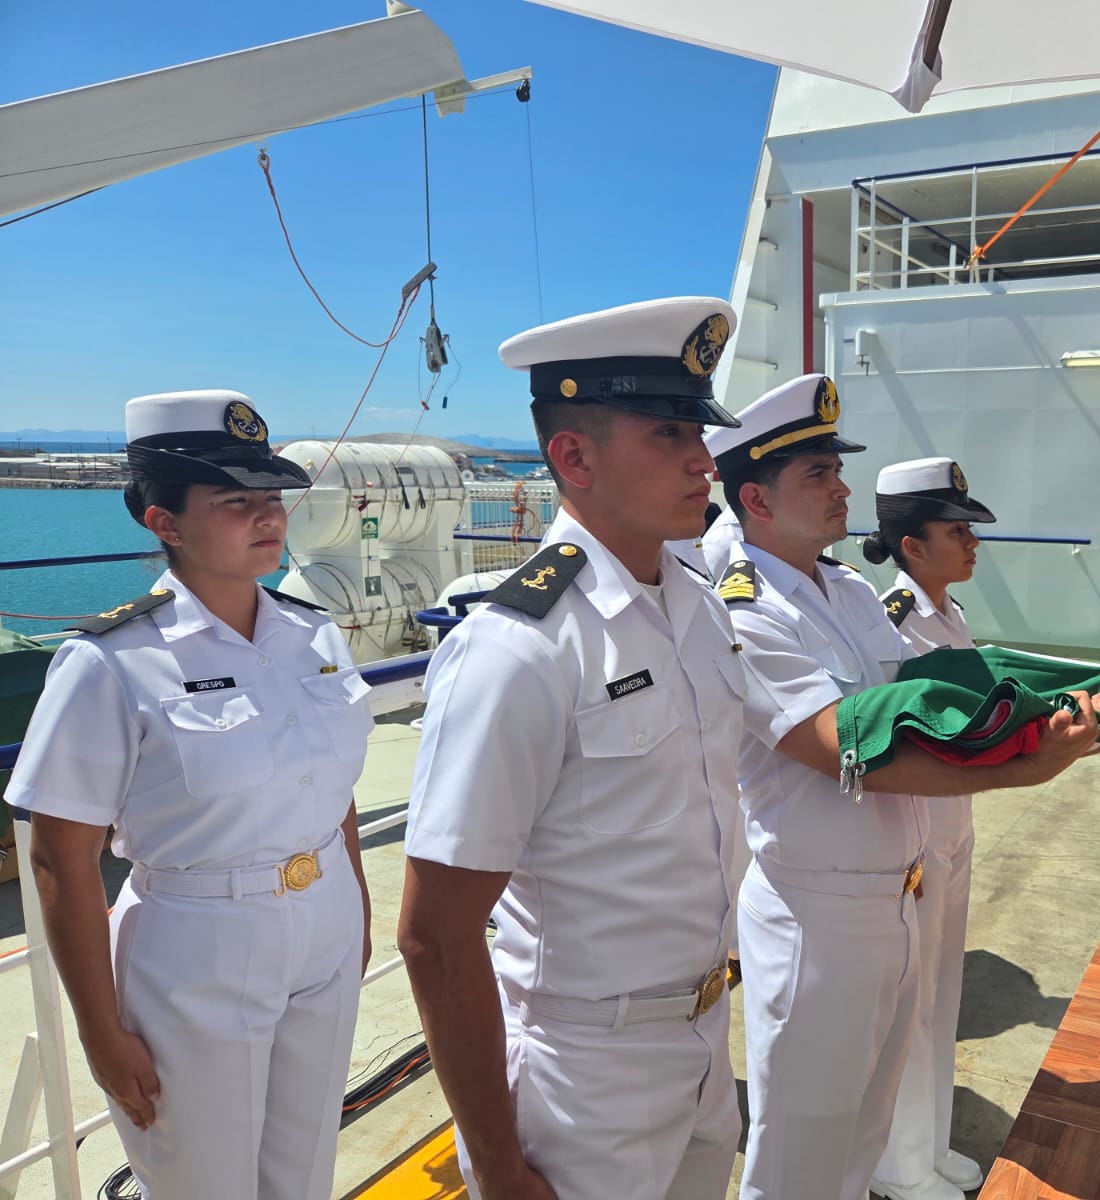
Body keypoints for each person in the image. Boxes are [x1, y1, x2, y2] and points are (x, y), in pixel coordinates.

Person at [705, 374, 1100, 1200]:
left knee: (863, 1137)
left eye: (838, 470)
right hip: (817, 915)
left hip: (896, 894)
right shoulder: (745, 612)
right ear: (755, 500)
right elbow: (846, 749)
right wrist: (1031, 767)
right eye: (819, 475)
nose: (842, 489)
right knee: (802, 1153)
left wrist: (1063, 710)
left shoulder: (844, 592)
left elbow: (934, 709)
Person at [398, 297, 748, 1200]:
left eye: (697, 431)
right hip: (585, 1074)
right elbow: (436, 937)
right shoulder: (520, 648)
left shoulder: (698, 609)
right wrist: (497, 1166)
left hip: (706, 1042)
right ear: (574, 457)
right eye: (669, 433)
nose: (704, 459)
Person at [8, 390, 374, 1199]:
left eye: (271, 495)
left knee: (304, 1173)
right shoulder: (110, 662)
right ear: (164, 523)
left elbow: (333, 792)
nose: (267, 515)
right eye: (234, 501)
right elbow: (60, 859)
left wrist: (355, 916)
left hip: (324, 928)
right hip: (196, 948)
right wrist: (101, 1034)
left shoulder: (314, 634)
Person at [864, 457, 997, 1199]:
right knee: (909, 1001)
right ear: (912, 545)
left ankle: (933, 1144)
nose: (973, 543)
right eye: (957, 531)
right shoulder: (893, 621)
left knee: (944, 989)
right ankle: (900, 1167)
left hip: (954, 824)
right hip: (914, 830)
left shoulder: (949, 615)